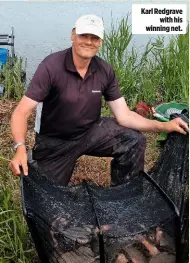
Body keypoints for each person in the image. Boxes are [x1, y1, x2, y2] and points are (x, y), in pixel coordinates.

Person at [9, 14, 188, 186]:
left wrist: (163, 126)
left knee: (134, 139)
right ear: (73, 35)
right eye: (83, 35)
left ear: (100, 42)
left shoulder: (104, 70)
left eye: (94, 37)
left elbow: (124, 115)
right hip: (55, 140)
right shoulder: (51, 67)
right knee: (45, 195)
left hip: (90, 131)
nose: (88, 41)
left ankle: (124, 193)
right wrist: (20, 147)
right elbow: (21, 112)